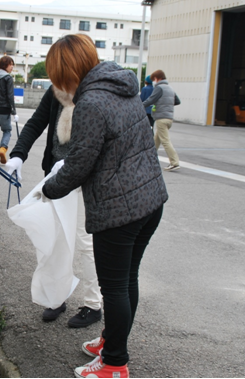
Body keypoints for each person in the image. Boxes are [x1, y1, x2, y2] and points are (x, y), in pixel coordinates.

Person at [37, 34, 168, 378]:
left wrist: (47, 190)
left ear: (67, 72)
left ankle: (113, 363)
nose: (56, 83)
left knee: (114, 288)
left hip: (119, 210)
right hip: (150, 201)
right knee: (126, 281)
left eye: (56, 75)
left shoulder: (91, 103)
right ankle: (111, 340)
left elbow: (80, 163)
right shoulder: (121, 86)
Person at [5, 85, 103, 328]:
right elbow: (36, 122)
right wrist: (19, 153)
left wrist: (72, 162)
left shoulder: (94, 91)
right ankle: (56, 297)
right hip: (57, 178)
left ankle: (93, 304)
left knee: (84, 239)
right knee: (56, 237)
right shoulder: (56, 91)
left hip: (86, 176)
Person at [142, 70, 180, 171]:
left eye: (154, 79)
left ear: (157, 78)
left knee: (165, 141)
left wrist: (138, 106)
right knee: (156, 140)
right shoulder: (170, 88)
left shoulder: (159, 88)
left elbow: (151, 100)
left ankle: (174, 162)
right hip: (169, 118)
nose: (154, 81)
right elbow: (177, 101)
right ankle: (149, 159)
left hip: (161, 118)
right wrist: (166, 104)